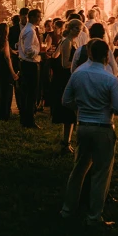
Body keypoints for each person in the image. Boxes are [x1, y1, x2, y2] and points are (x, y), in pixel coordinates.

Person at [60, 38, 118, 226]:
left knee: (78, 169)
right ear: (107, 55)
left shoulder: (78, 74)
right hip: (103, 127)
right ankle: (94, 216)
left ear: (89, 54)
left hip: (83, 126)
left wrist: (80, 108)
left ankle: (67, 210)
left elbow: (65, 100)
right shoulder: (110, 79)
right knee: (100, 173)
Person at [49, 19, 81, 153]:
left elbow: (55, 55)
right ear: (71, 29)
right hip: (65, 79)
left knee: (70, 113)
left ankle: (66, 141)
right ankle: (65, 142)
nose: (79, 32)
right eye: (77, 29)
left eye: (80, 29)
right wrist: (79, 65)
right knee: (68, 112)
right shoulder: (67, 42)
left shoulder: (69, 41)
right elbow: (65, 63)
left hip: (67, 78)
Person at [18, 8, 42, 129]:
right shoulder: (30, 31)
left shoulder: (28, 29)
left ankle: (25, 118)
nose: (40, 19)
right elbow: (28, 50)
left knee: (27, 93)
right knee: (31, 93)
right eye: (38, 17)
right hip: (30, 64)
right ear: (31, 17)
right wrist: (39, 52)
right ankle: (29, 120)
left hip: (27, 63)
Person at [0, 22, 18, 120]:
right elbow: (7, 57)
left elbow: (5, 51)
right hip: (5, 68)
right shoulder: (5, 41)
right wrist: (13, 72)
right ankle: (4, 113)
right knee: (7, 91)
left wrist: (14, 51)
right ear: (5, 30)